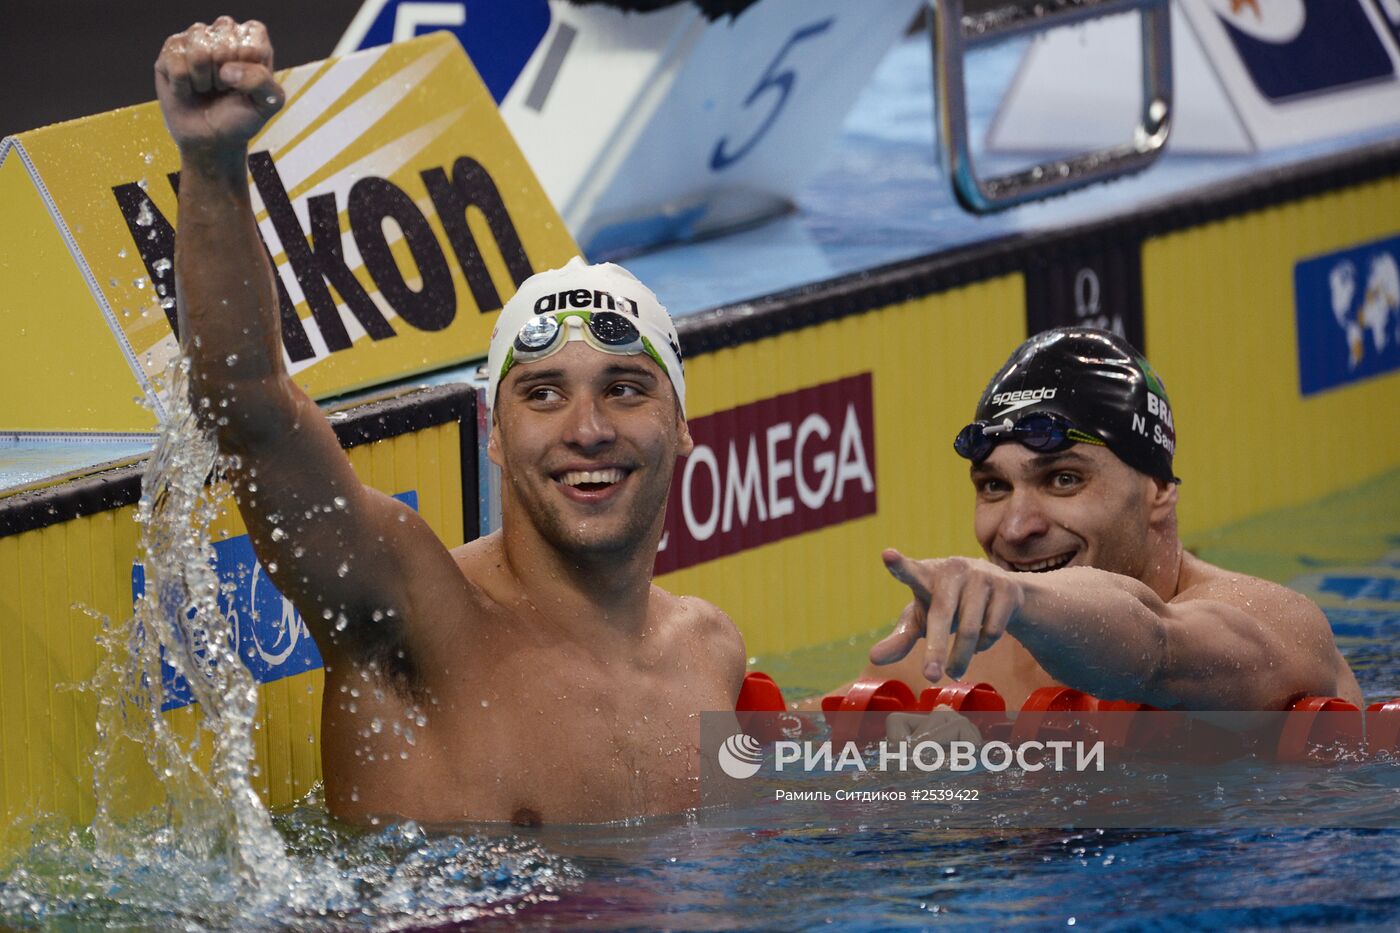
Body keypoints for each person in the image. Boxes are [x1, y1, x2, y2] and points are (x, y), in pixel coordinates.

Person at [155, 17, 745, 825]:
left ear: (680, 425)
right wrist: (214, 168)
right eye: (541, 394)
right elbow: (246, 403)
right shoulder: (413, 613)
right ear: (495, 436)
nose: (588, 428)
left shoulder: (710, 655)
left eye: (625, 388)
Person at [845, 327, 1362, 712]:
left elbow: (1155, 647)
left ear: (1158, 488)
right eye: (995, 486)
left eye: (1064, 479)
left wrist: (1022, 598)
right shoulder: (939, 664)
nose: (1016, 527)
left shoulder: (1275, 626)